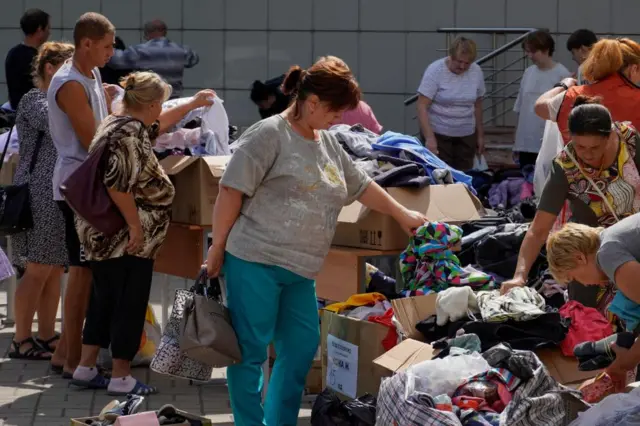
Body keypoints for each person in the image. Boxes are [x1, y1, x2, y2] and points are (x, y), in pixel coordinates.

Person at [205, 56, 428, 426]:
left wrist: (403, 215)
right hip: (254, 260)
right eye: (335, 112)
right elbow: (230, 192)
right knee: (250, 351)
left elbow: (362, 186)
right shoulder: (267, 135)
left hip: (301, 269)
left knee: (301, 349)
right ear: (312, 103)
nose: (339, 120)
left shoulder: (326, 142)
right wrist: (216, 250)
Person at [69, 71, 215, 395]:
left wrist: (192, 103)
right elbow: (117, 184)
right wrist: (135, 226)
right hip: (125, 235)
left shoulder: (115, 122)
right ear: (149, 103)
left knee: (104, 298)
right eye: (159, 104)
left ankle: (86, 365)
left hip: (102, 231)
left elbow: (158, 125)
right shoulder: (129, 134)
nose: (160, 110)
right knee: (128, 301)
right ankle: (121, 376)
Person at [501, 97, 640, 308]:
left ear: (610, 135)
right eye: (580, 146)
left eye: (595, 147)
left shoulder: (629, 139)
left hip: (633, 247)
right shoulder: (566, 166)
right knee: (594, 327)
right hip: (589, 262)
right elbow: (538, 229)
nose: (587, 154)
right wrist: (519, 275)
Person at [47, 12, 116, 379]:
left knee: (84, 271)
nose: (111, 52)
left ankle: (64, 354)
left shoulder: (91, 73)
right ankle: (74, 360)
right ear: (86, 43)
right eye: (106, 46)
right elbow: (94, 140)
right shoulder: (70, 82)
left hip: (87, 183)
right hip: (78, 185)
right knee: (81, 271)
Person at [9, 42, 74, 361]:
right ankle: (21, 338)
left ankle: (47, 333)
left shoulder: (59, 99)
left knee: (52, 268)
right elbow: (57, 123)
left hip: (57, 189)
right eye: (69, 67)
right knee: (36, 268)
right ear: (50, 68)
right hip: (38, 190)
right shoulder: (35, 99)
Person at [545, 219, 640, 376]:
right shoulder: (613, 238)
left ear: (580, 258)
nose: (584, 284)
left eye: (574, 278)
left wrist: (627, 361)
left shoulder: (607, 254)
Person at [534, 38, 640, 144]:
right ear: (633, 69)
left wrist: (563, 85)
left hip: (577, 160)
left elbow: (539, 107)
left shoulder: (572, 95)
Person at [416, 36, 486, 171]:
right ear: (451, 56)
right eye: (459, 61)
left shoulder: (476, 71)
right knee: (441, 175)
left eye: (467, 63)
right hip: (439, 133)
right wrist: (429, 138)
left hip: (466, 134)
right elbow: (422, 106)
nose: (462, 66)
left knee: (465, 174)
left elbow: (477, 104)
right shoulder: (435, 70)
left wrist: (480, 135)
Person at [513, 30, 571, 168]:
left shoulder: (562, 74)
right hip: (525, 144)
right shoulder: (528, 72)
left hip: (548, 145)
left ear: (546, 49)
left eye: (533, 51)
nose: (529, 55)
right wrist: (515, 142)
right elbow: (520, 107)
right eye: (527, 51)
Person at [107, 20, 199, 98]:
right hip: (174, 99)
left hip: (148, 100)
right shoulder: (183, 50)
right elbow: (194, 59)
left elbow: (116, 61)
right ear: (165, 31)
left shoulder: (139, 51)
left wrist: (107, 45)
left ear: (147, 33)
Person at [5, 9, 51, 110]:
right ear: (39, 29)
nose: (49, 32)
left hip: (15, 113)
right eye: (48, 28)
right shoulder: (38, 59)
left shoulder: (12, 53)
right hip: (33, 116)